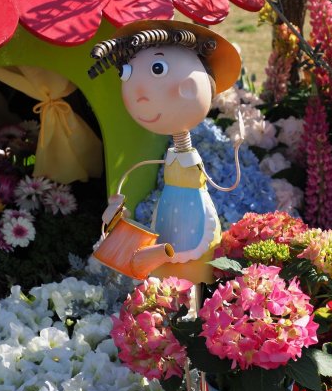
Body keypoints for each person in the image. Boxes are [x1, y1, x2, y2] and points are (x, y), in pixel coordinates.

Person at [88, 20, 243, 284]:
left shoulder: (185, 157)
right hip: (168, 213)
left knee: (195, 268)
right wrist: (117, 206)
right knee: (165, 268)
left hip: (195, 216)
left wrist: (237, 146)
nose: (139, 93)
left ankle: (192, 301)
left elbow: (224, 184)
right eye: (127, 73)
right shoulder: (171, 156)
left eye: (157, 68)